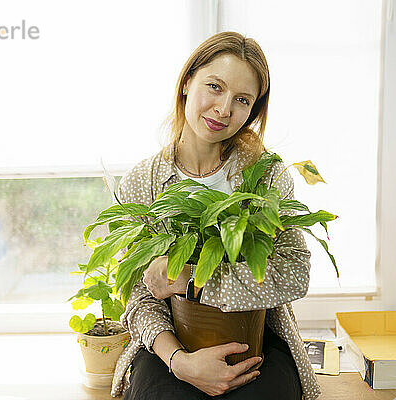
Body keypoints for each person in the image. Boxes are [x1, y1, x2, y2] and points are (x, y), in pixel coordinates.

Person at [109, 32, 321, 400]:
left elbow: (293, 275)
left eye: (242, 99)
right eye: (215, 87)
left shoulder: (266, 176)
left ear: (253, 110)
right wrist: (179, 360)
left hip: (254, 336)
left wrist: (192, 281)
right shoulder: (143, 182)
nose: (224, 110)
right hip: (169, 341)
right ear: (188, 82)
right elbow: (142, 298)